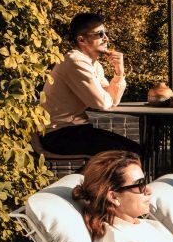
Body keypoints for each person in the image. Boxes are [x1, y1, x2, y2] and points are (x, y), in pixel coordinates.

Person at [40, 12, 140, 156]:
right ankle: (92, 178)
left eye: (106, 33)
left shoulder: (95, 65)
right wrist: (108, 95)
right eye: (100, 34)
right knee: (129, 154)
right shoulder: (75, 61)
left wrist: (119, 72)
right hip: (58, 134)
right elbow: (102, 102)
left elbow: (112, 100)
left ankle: (97, 177)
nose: (106, 38)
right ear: (82, 40)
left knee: (136, 151)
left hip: (77, 129)